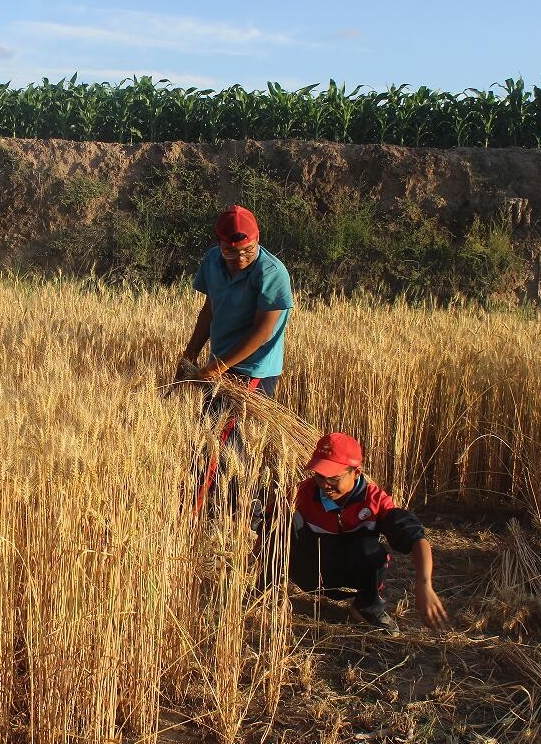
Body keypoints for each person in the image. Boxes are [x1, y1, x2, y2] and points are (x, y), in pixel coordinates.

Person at [260, 432, 450, 635]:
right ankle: (263, 592)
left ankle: (366, 608)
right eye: (319, 475)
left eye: (333, 477)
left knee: (371, 550)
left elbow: (416, 538)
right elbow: (266, 526)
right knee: (283, 521)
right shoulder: (302, 493)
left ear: (356, 472)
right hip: (309, 574)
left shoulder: (376, 501)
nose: (324, 484)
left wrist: (424, 584)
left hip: (350, 576)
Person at [176, 204, 294, 519]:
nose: (240, 259)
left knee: (225, 442)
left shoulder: (272, 273)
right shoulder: (213, 262)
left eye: (248, 251)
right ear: (219, 244)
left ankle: (237, 514)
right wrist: (190, 353)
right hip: (219, 363)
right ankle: (222, 510)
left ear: (257, 240)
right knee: (211, 439)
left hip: (253, 369)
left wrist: (218, 367)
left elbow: (263, 332)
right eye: (231, 251)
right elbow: (209, 309)